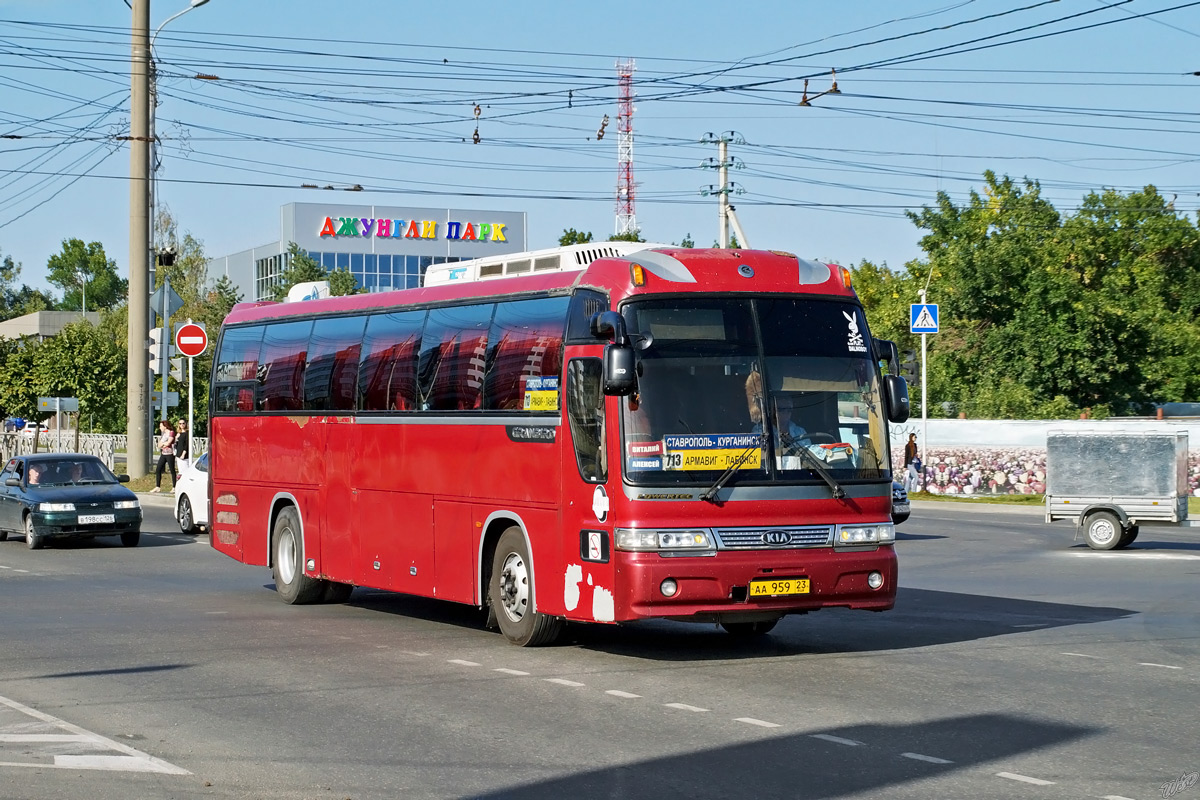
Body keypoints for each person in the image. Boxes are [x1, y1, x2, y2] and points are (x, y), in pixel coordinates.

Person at [151, 419, 177, 493]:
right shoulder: (164, 434)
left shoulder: (171, 433)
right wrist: (163, 443)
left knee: (172, 470)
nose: (160, 428)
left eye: (161, 426)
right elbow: (159, 445)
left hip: (170, 453)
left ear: (165, 426)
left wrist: (164, 443)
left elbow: (168, 443)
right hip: (163, 453)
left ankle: (174, 487)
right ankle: (157, 486)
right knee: (158, 469)